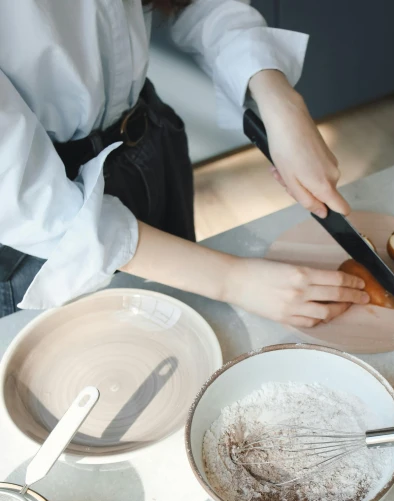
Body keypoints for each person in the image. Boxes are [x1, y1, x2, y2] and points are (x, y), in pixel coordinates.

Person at [0, 0, 370, 324]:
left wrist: (279, 100)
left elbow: (195, 2)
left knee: (178, 328)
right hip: (39, 237)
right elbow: (29, 202)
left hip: (146, 145)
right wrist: (232, 279)